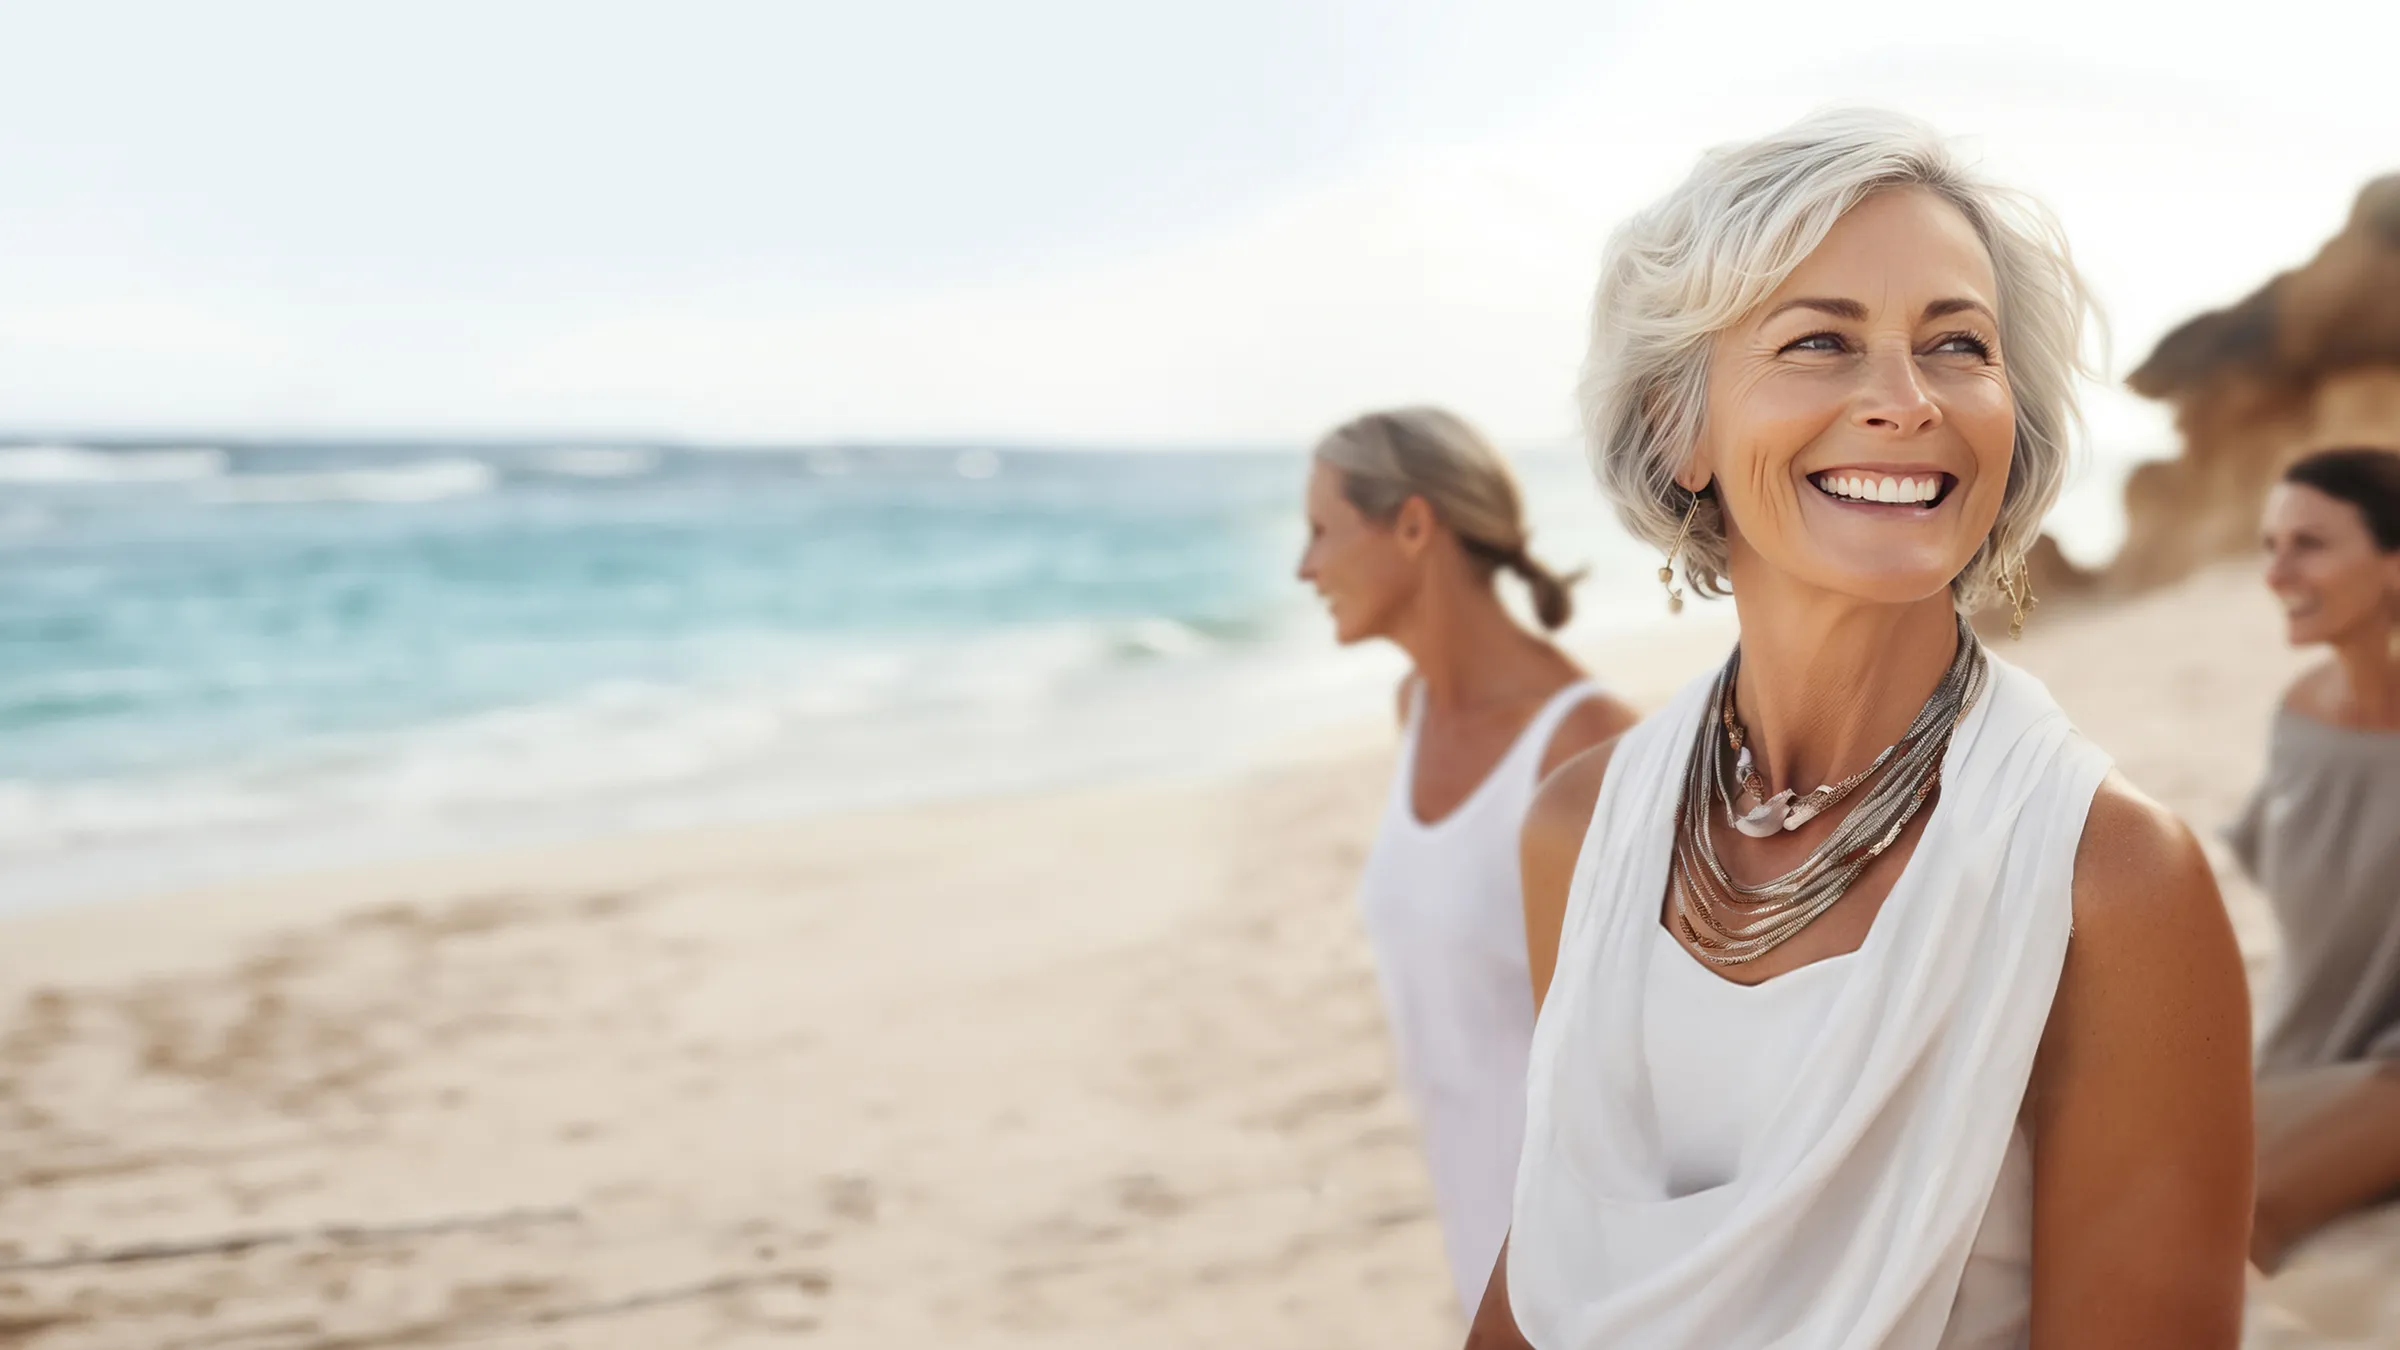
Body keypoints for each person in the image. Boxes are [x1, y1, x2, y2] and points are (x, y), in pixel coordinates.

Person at [1468, 111, 2252, 1349]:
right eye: (1821, 341)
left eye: (1958, 345)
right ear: (1682, 428)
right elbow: (1558, 1256)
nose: (1905, 401)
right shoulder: (1582, 828)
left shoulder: (2113, 885)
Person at [1297, 406, 1639, 1320]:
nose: (1304, 566)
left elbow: (1630, 1093)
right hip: (1478, 1250)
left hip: (1589, 1293)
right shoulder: (1414, 710)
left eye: (1323, 530)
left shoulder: (1588, 749)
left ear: (1413, 526)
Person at [2233, 446, 2400, 1272]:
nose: (2277, 572)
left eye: (2311, 544)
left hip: (2392, 1085)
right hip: (2297, 1065)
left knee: (2219, 1217)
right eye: (2270, 545)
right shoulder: (2298, 719)